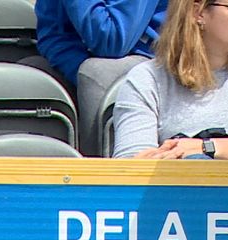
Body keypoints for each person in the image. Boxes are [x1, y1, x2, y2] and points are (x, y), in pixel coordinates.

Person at [111, 0, 228, 160]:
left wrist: (203, 148)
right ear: (198, 12)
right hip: (171, 198)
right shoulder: (146, 79)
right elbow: (133, 163)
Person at [30, 0, 169, 156]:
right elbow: (52, 34)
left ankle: (96, 174)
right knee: (29, 76)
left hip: (157, 59)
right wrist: (77, 68)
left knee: (97, 73)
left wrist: (87, 77)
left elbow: (112, 39)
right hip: (87, 56)